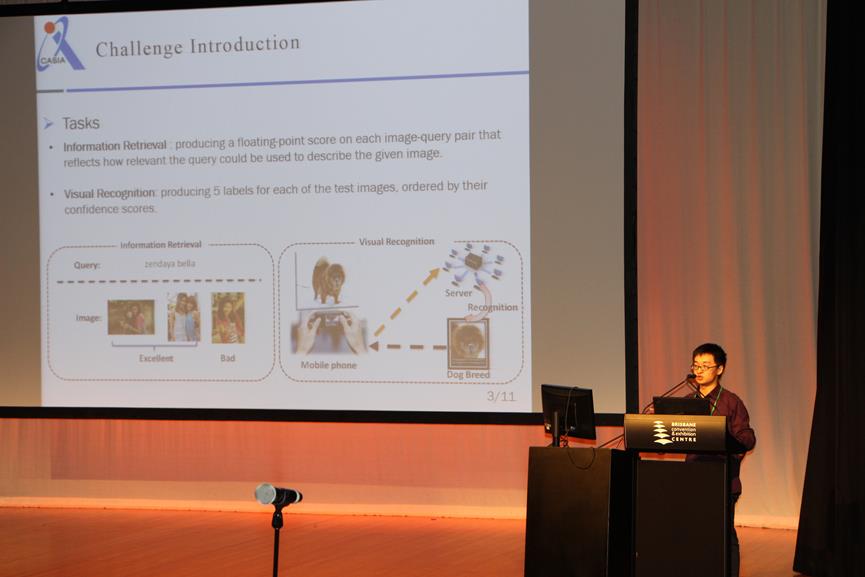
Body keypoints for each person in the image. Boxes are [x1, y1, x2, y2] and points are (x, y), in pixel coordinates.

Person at [685, 343, 756, 577]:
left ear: (720, 369)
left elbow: (747, 438)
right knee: (694, 535)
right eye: (696, 365)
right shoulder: (687, 402)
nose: (699, 370)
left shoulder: (731, 402)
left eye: (705, 366)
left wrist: (724, 438)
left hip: (723, 480)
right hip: (692, 478)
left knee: (724, 535)